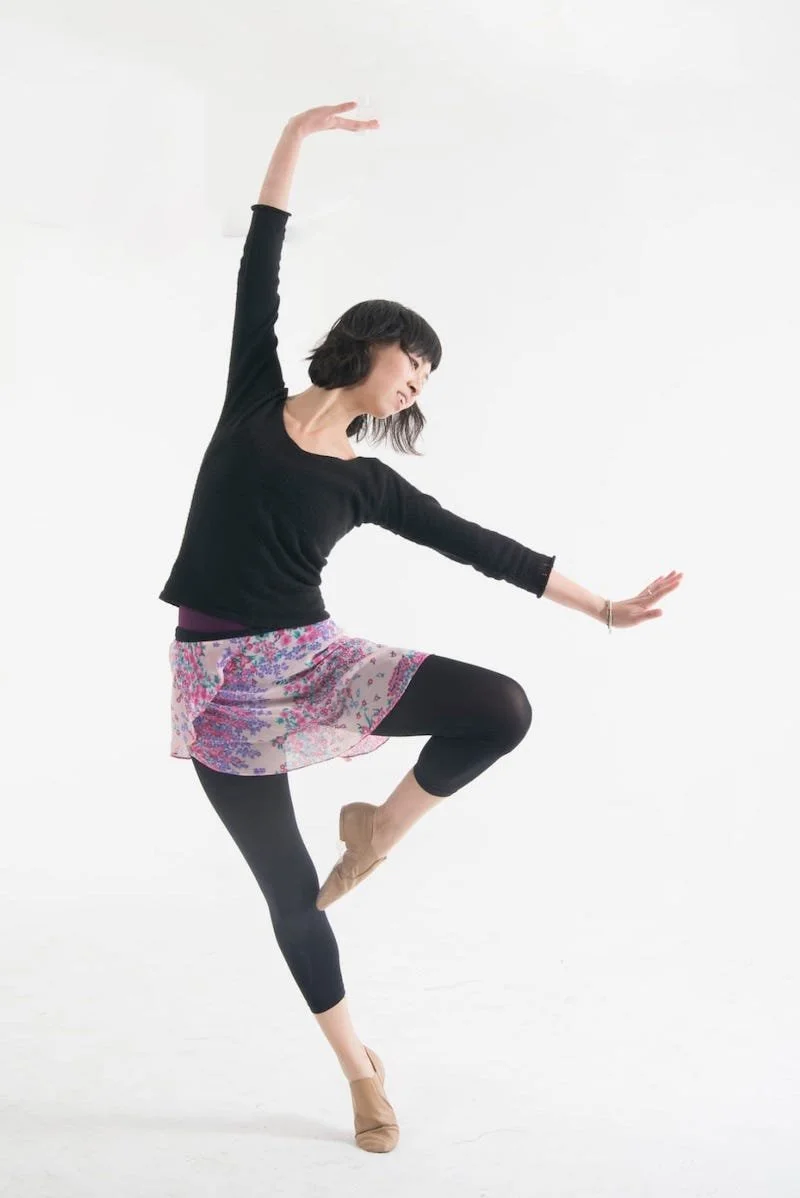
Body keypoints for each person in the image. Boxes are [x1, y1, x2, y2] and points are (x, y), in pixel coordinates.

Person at [159, 101, 683, 1154]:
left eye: (428, 377)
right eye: (415, 358)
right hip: (217, 686)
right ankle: (361, 1071)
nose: (417, 378)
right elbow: (257, 259)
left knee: (499, 706)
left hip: (310, 662)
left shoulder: (367, 483)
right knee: (291, 898)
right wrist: (294, 138)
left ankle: (382, 827)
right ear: (371, 341)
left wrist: (607, 610)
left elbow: (485, 546)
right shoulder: (253, 398)